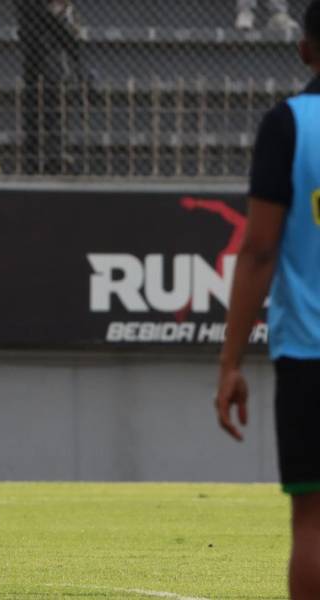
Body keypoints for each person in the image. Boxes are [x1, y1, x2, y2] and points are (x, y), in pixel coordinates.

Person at [216, 2, 320, 597]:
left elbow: (256, 252)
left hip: (309, 358)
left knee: (311, 521)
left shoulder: (288, 125)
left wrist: (230, 364)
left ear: (306, 47)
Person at [15, 0, 84, 176]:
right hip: (38, 39)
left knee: (49, 93)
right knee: (40, 94)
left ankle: (49, 155)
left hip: (45, 42)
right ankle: (39, 156)